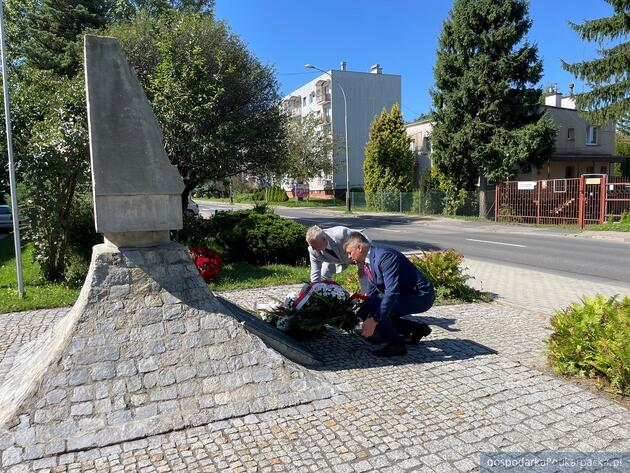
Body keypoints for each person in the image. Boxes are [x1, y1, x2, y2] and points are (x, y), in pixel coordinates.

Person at [343, 232, 434, 357]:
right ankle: (416, 329)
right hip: (405, 295)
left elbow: (392, 293)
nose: (349, 257)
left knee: (378, 310)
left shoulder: (385, 256)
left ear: (359, 247)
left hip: (420, 296)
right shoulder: (368, 262)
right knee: (372, 306)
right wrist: (357, 317)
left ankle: (396, 346)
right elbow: (371, 293)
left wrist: (374, 320)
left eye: (349, 252)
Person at [306, 225, 369, 291]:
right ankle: (328, 296)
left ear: (324, 239)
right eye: (311, 245)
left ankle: (367, 296)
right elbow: (315, 272)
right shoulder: (313, 250)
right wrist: (314, 289)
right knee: (323, 275)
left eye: (314, 245)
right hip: (336, 259)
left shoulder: (341, 234)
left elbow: (361, 242)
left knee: (363, 274)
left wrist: (363, 264)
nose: (313, 248)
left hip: (359, 252)